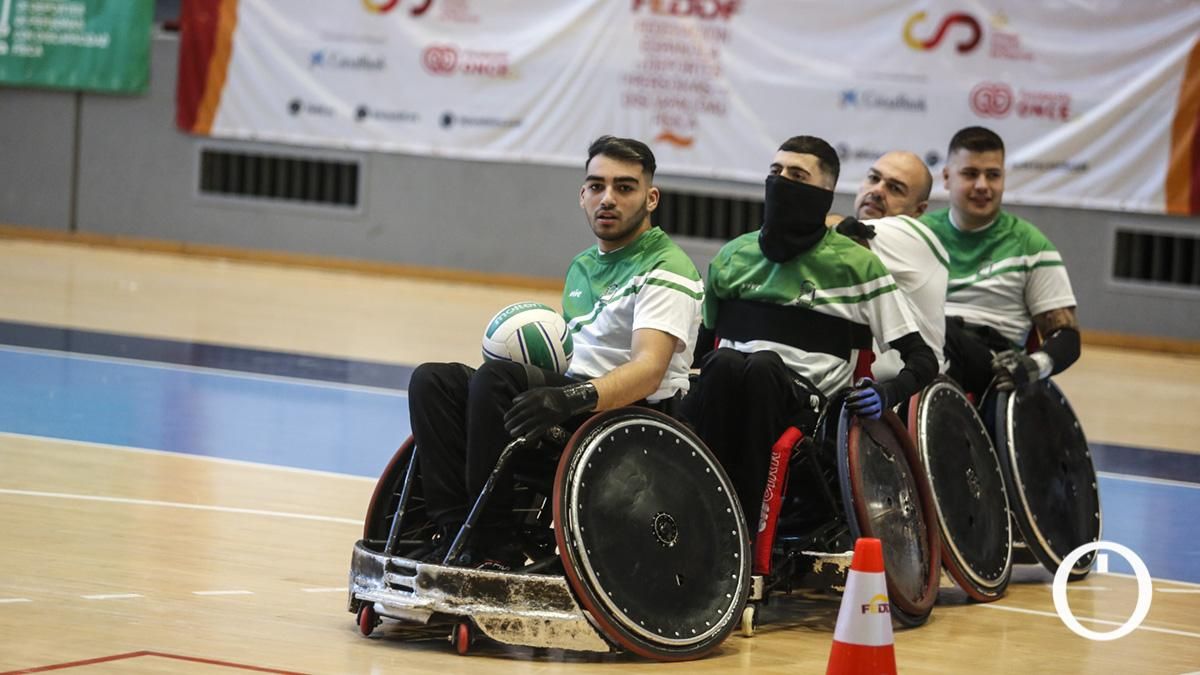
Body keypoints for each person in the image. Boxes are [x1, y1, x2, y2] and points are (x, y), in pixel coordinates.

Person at [407, 135, 703, 569]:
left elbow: (648, 370)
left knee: (496, 380)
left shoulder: (667, 267)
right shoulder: (584, 264)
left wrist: (569, 398)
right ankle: (456, 532)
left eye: (624, 187)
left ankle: (493, 542)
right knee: (434, 380)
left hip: (628, 417)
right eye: (596, 186)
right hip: (575, 402)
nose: (608, 198)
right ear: (582, 195)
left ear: (650, 198)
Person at [683, 135, 937, 528]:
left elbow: (923, 359)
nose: (781, 181)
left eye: (796, 175)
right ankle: (701, 520)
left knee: (761, 368)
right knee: (725, 364)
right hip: (726, 383)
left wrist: (886, 393)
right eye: (775, 172)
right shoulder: (733, 256)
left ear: (825, 192)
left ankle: (739, 528)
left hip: (808, 405)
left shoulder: (857, 266)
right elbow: (701, 348)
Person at [919, 127, 1080, 397]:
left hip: (991, 364)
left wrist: (1032, 366)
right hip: (927, 347)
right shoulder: (919, 234)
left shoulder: (1031, 244)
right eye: (970, 174)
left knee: (931, 327)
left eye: (993, 175)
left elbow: (1066, 337)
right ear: (947, 177)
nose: (982, 185)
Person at [831, 151, 950, 381]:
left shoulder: (913, 235)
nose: (876, 191)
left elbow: (834, 231)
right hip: (855, 388)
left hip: (908, 394)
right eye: (873, 179)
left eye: (895, 188)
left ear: (919, 210)